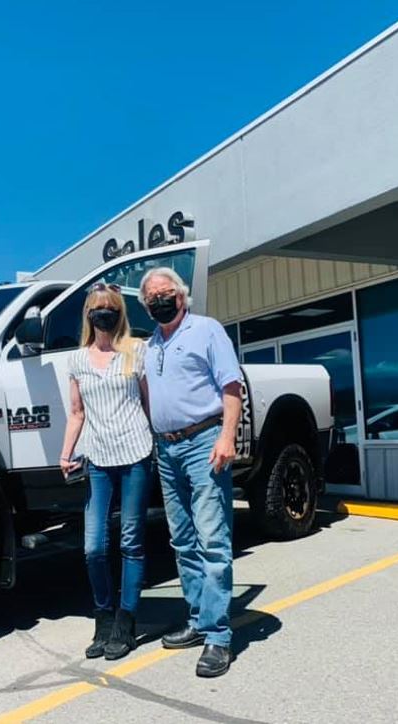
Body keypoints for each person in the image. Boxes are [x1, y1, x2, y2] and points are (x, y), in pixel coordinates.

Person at [138, 266, 242, 678]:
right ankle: (198, 619)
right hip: (167, 449)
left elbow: (231, 386)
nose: (161, 300)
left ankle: (219, 636)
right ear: (147, 306)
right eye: (153, 297)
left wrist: (227, 437)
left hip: (205, 441)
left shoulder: (207, 330)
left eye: (167, 293)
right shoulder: (149, 345)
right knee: (182, 540)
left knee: (213, 539)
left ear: (182, 296)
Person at [60, 281, 153, 661]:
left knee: (131, 541)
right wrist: (66, 453)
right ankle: (102, 617)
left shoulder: (136, 351)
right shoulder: (77, 360)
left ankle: (126, 622)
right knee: (94, 546)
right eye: (97, 308)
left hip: (135, 453)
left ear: (119, 313)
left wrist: (163, 445)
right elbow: (77, 412)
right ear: (89, 315)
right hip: (97, 458)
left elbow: (149, 402)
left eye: (110, 307)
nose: (104, 313)